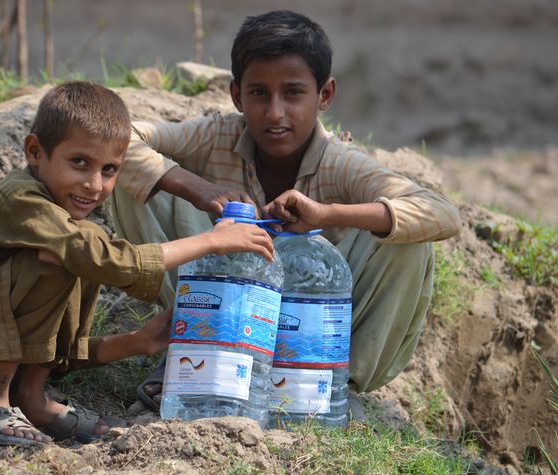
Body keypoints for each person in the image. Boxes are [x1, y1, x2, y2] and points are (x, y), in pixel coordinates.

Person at [110, 10, 461, 417]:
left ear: (325, 95)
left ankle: (336, 387)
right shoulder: (215, 135)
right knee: (133, 178)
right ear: (237, 96)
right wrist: (201, 189)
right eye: (259, 93)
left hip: (309, 341)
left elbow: (441, 213)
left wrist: (327, 214)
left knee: (409, 238)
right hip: (222, 318)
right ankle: (190, 344)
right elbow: (118, 141)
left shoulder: (340, 163)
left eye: (293, 93)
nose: (275, 113)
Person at [0, 81, 276, 446]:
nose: (94, 185)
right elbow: (109, 261)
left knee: (76, 254)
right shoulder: (22, 201)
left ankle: (30, 399)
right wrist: (211, 241)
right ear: (35, 151)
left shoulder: (63, 219)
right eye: (79, 163)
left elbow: (56, 345)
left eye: (109, 170)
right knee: (59, 258)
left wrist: (137, 342)